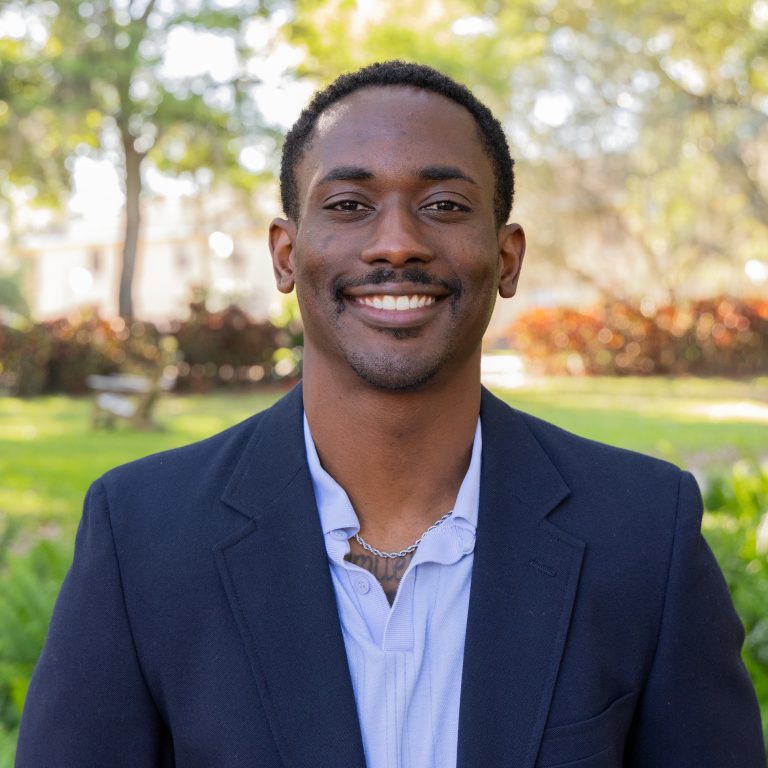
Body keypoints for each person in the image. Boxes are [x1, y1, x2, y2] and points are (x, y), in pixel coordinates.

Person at [16, 61, 765, 768]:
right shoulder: (142, 533)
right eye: (348, 205)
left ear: (506, 259)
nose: (398, 243)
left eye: (444, 206)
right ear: (286, 253)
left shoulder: (640, 530)